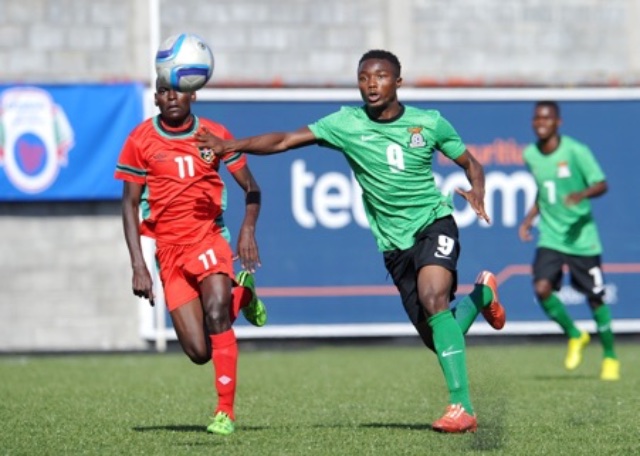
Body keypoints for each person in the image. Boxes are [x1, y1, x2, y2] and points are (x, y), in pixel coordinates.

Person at [195, 49, 507, 433]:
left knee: (434, 298)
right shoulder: (346, 122)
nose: (371, 84)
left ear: (398, 81)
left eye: (380, 76)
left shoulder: (430, 123)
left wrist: (477, 190)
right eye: (363, 77)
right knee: (437, 335)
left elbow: (471, 163)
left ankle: (462, 407)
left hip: (433, 222)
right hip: (394, 244)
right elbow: (284, 140)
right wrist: (231, 145)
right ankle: (482, 297)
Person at [114, 78, 268, 436]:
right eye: (164, 91)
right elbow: (129, 204)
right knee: (200, 351)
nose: (171, 97)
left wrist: (247, 229)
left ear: (192, 94)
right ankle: (242, 294)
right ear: (155, 97)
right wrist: (138, 265)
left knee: (216, 313)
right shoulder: (140, 140)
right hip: (168, 251)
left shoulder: (214, 134)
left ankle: (224, 413)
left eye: (178, 90)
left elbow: (252, 187)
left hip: (208, 238)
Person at [518, 101, 619, 381]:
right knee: (541, 288)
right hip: (551, 236)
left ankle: (610, 356)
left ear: (558, 122)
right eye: (537, 118)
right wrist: (529, 219)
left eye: (547, 118)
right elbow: (543, 190)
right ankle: (575, 335)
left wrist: (581, 195)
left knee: (595, 299)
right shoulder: (530, 154)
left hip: (581, 238)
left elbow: (601, 183)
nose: (541, 122)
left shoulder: (576, 151)